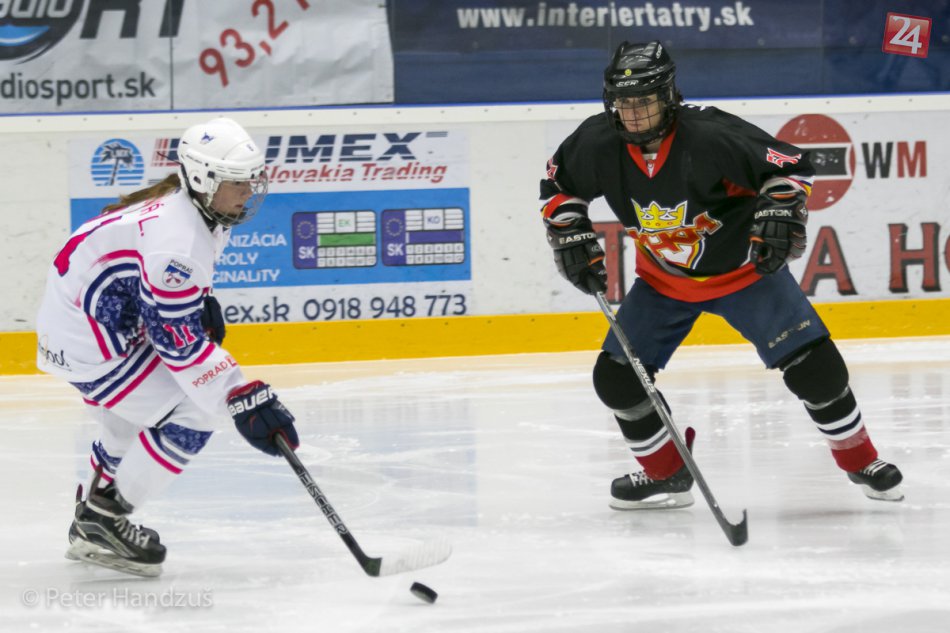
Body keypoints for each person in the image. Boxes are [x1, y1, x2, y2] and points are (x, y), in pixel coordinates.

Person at [539, 41, 903, 511]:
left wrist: (780, 210)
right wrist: (569, 231)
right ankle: (667, 473)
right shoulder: (596, 143)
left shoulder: (711, 135)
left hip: (746, 275)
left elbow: (791, 168)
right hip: (663, 281)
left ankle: (862, 461)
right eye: (625, 103)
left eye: (645, 101)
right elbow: (559, 187)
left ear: (669, 96)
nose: (635, 114)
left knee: (817, 372)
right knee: (617, 380)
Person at [36, 117, 300, 577]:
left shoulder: (197, 211)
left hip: (93, 322)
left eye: (251, 180)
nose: (248, 191)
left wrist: (197, 305)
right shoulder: (177, 241)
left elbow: (166, 309)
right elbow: (177, 345)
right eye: (237, 182)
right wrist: (242, 396)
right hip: (88, 338)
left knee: (125, 423)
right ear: (203, 179)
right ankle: (105, 518)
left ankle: (91, 520)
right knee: (196, 414)